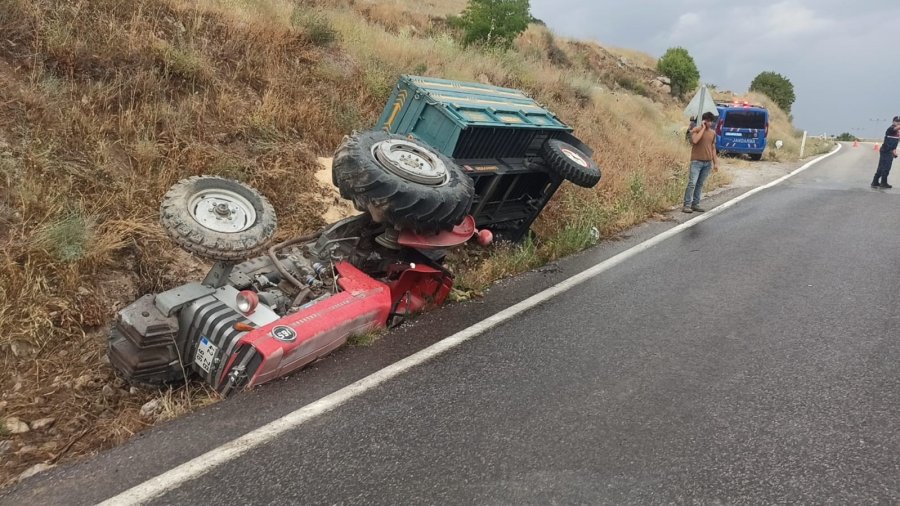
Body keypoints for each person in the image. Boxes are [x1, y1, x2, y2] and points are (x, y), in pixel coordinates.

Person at [682, 111, 719, 213]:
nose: (709, 123)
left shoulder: (712, 133)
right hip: (696, 162)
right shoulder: (696, 130)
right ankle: (687, 204)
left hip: (707, 163)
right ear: (704, 121)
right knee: (692, 183)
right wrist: (702, 128)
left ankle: (696, 204)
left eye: (711, 121)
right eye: (707, 121)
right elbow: (695, 141)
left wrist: (715, 162)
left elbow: (713, 148)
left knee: (700, 184)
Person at [871, 116, 900, 188]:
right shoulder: (891, 129)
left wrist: (894, 152)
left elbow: (894, 144)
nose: (898, 122)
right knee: (886, 167)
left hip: (889, 151)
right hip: (885, 151)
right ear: (893, 122)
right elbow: (896, 128)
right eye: (897, 121)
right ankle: (883, 183)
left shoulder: (897, 133)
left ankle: (875, 182)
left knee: (882, 167)